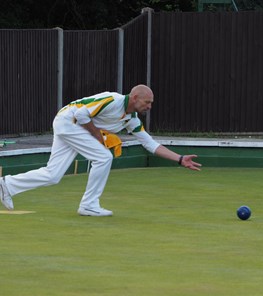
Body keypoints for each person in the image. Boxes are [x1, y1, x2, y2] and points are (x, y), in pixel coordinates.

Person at [0, 85, 201, 216]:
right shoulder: (112, 100)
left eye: (151, 103)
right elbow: (81, 114)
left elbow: (150, 144)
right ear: (135, 97)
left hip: (72, 127)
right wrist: (98, 136)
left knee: (53, 175)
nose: (149, 106)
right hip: (68, 121)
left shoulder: (131, 120)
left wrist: (180, 158)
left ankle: (6, 185)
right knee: (104, 156)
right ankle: (88, 205)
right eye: (147, 102)